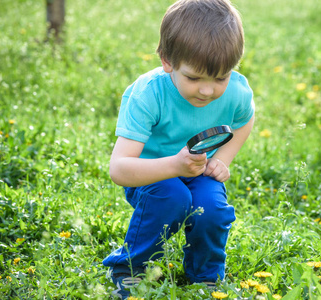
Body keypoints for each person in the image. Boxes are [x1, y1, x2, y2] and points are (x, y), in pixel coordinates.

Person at [102, 0, 255, 298]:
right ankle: (129, 269)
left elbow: (246, 119)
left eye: (220, 78)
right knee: (173, 197)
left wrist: (222, 159)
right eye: (194, 78)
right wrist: (174, 166)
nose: (208, 91)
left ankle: (205, 277)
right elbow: (119, 169)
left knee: (212, 209)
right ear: (167, 60)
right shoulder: (148, 95)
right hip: (149, 174)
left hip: (197, 170)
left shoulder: (235, 90)